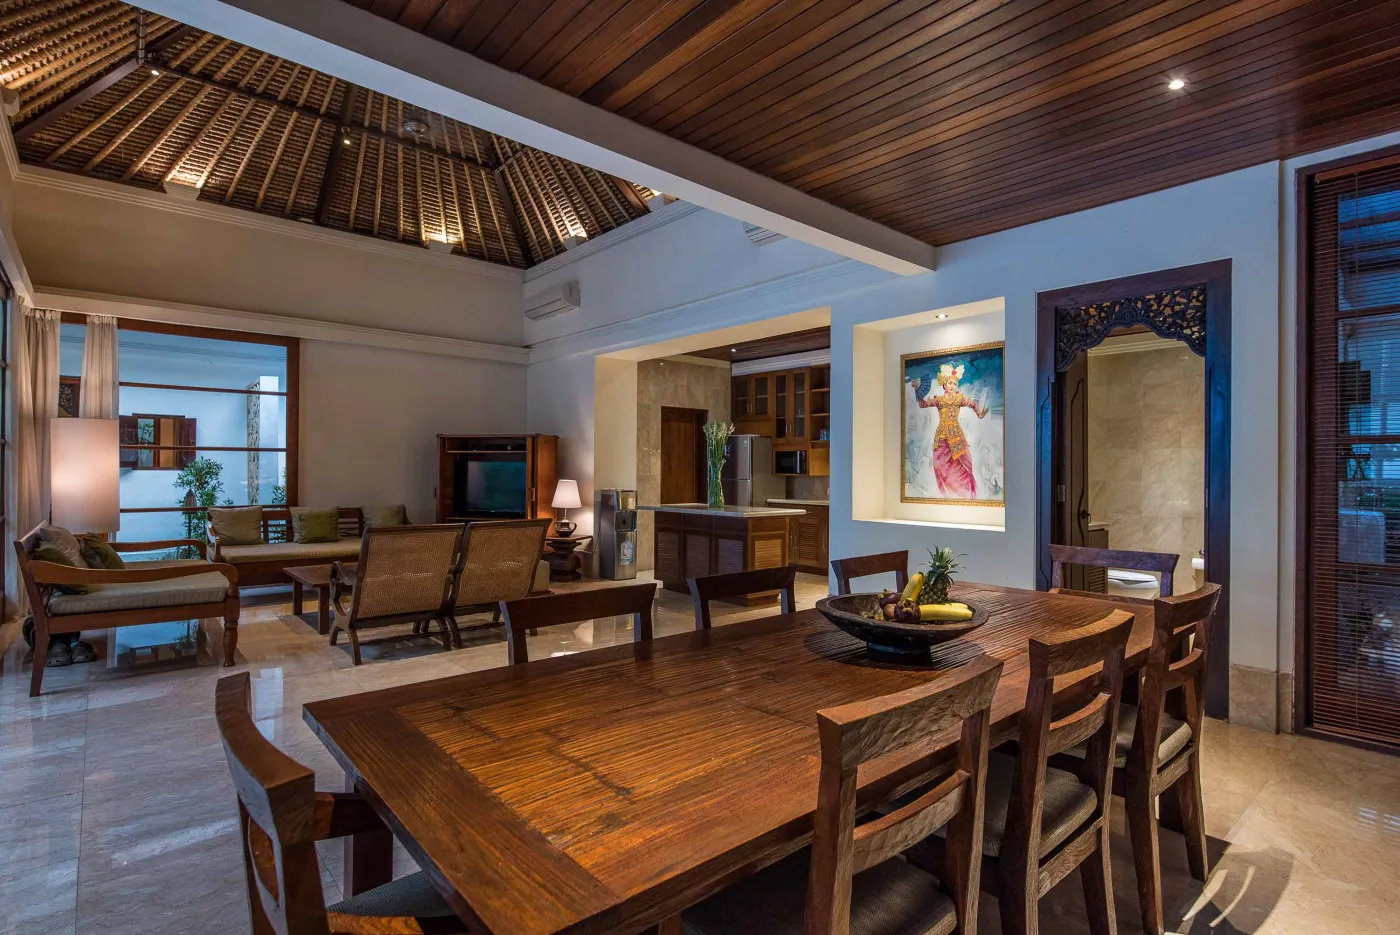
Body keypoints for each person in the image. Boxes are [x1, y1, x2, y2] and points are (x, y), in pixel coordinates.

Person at [913, 362, 988, 499]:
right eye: (950, 383)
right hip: (941, 437)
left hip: (956, 435)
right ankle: (948, 492)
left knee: (964, 465)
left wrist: (979, 413)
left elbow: (972, 404)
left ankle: (966, 492)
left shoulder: (959, 398)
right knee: (939, 465)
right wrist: (917, 390)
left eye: (954, 383)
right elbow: (923, 404)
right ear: (944, 385)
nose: (952, 386)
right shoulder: (939, 400)